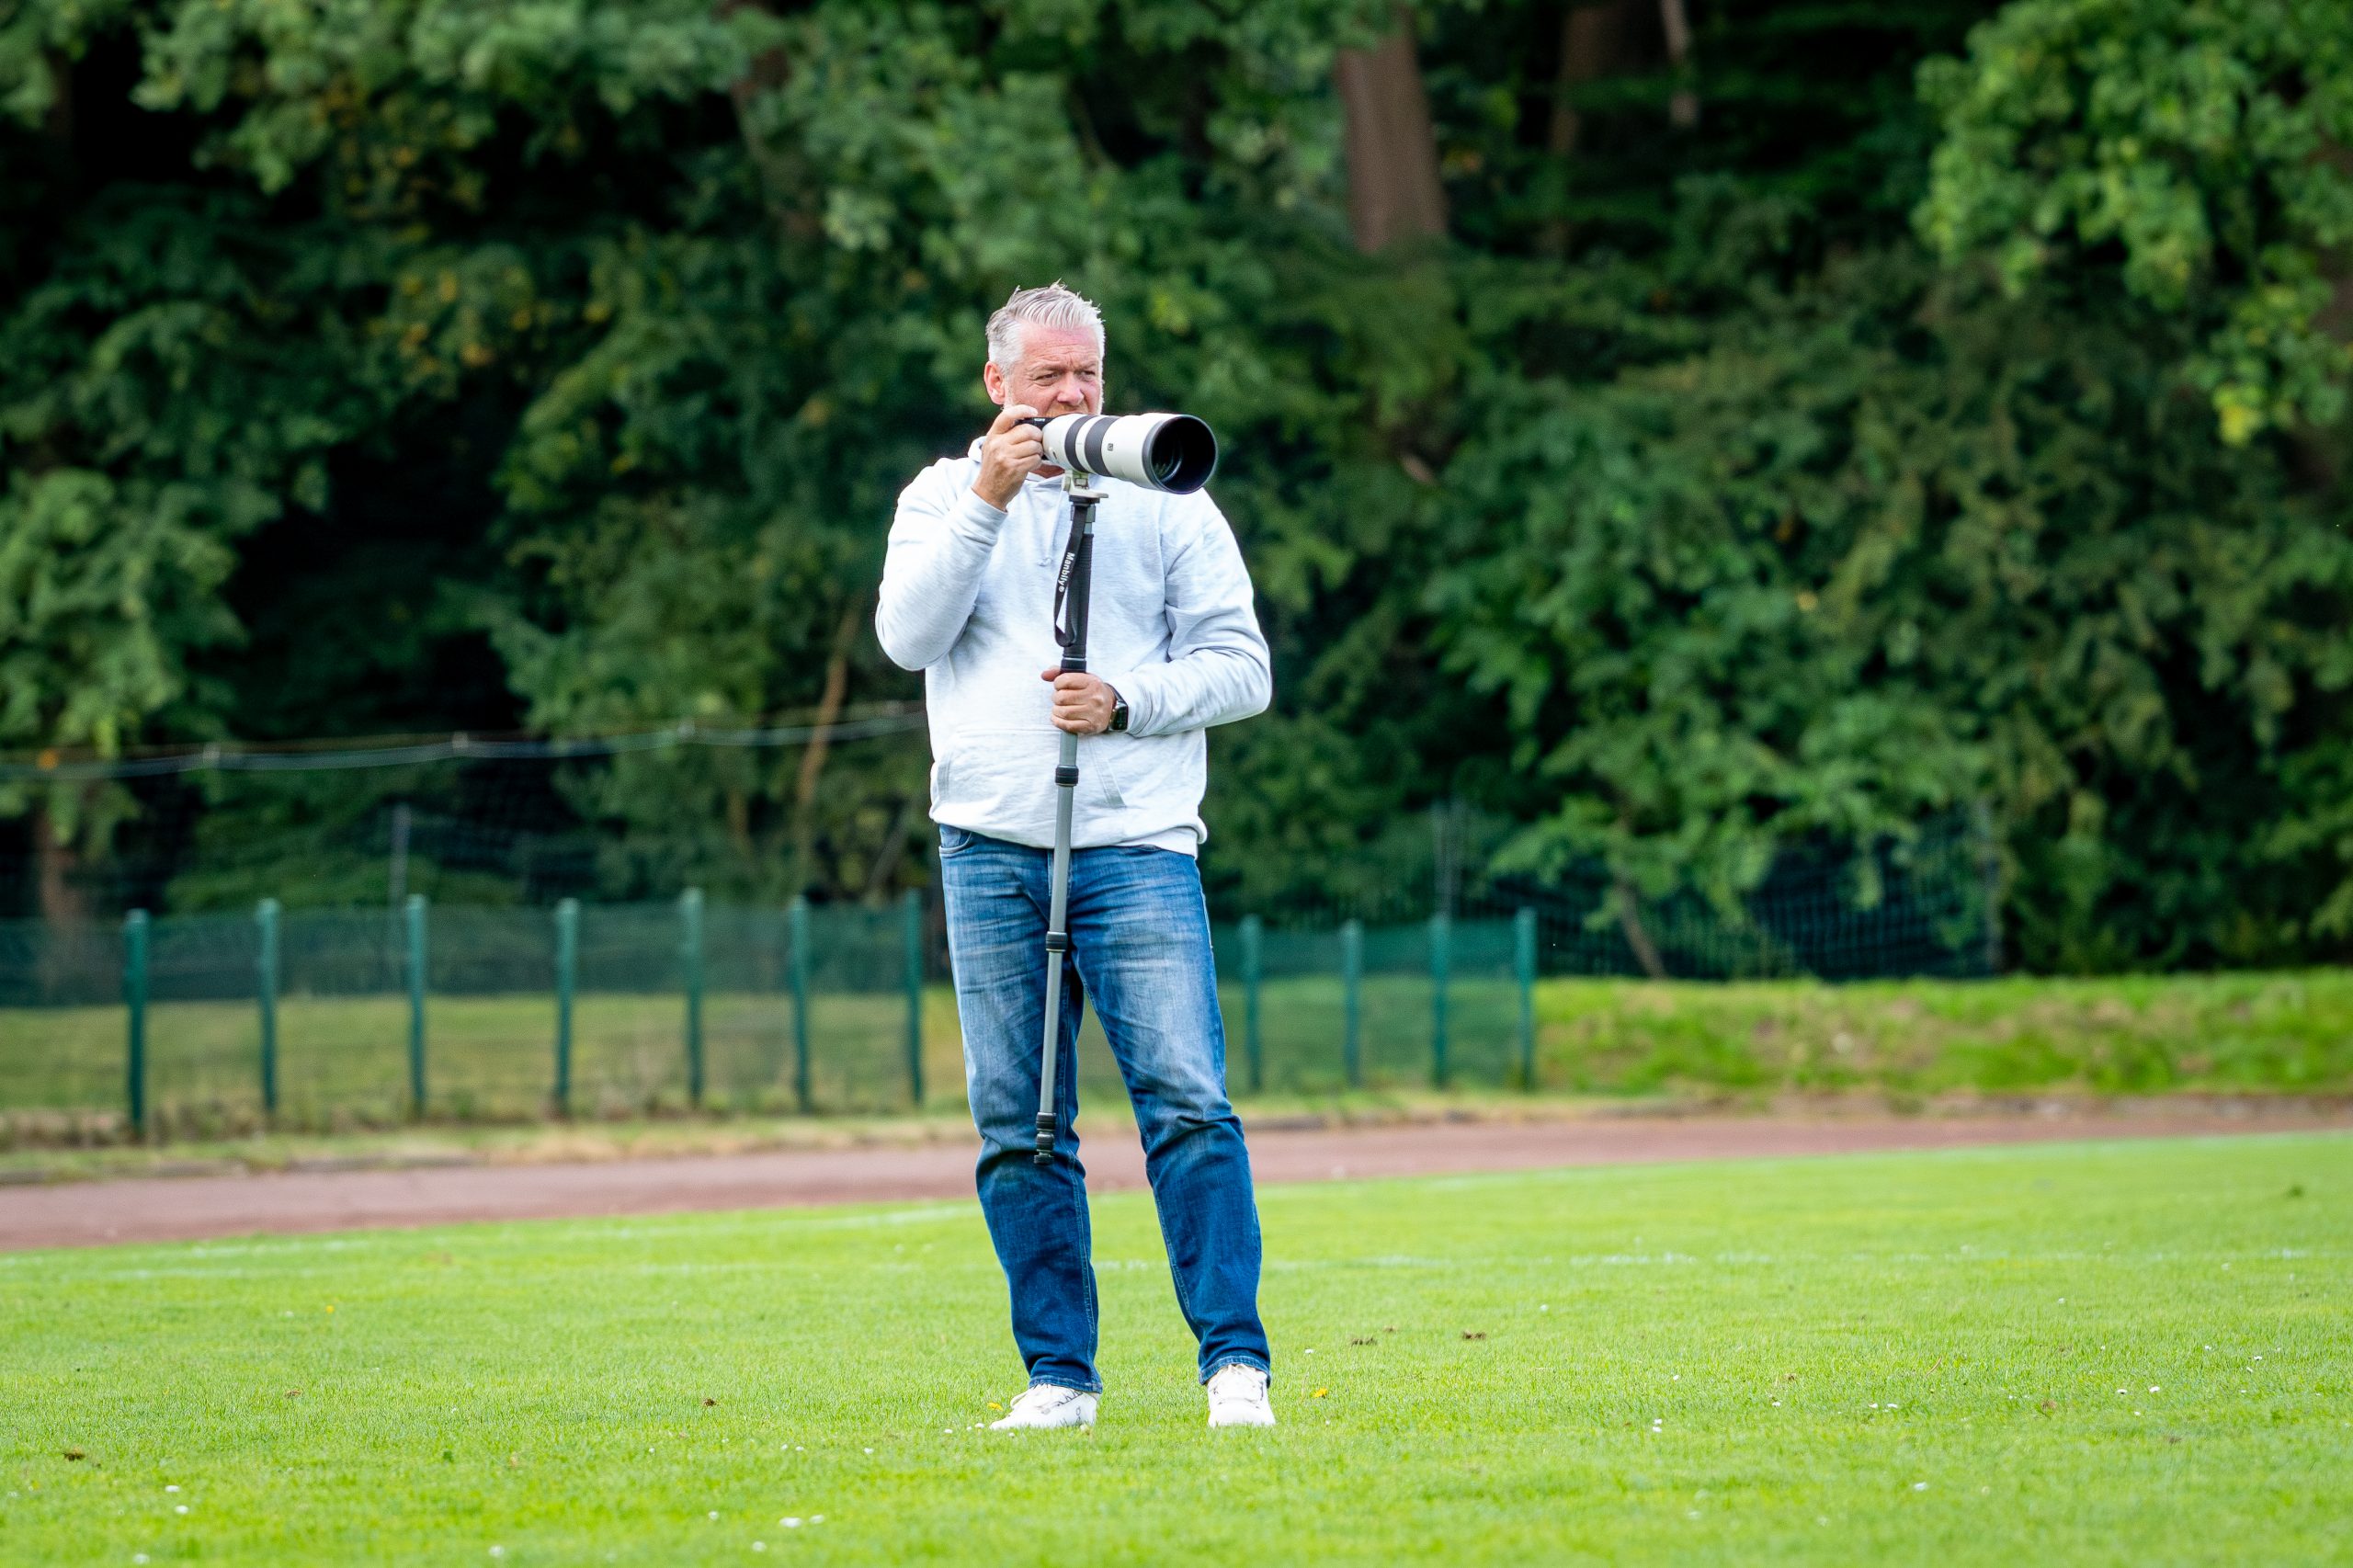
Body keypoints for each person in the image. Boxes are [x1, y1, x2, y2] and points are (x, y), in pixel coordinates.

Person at [875, 282, 1276, 1431]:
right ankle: (1059, 1377)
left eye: (1087, 374)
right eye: (1048, 377)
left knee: (1189, 1106)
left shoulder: (1170, 497)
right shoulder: (939, 498)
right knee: (1020, 1124)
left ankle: (1233, 1366)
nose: (1073, 395)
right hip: (989, 848)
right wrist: (986, 507)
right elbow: (906, 637)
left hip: (1137, 846)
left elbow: (1242, 668)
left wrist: (1130, 699)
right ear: (996, 384)